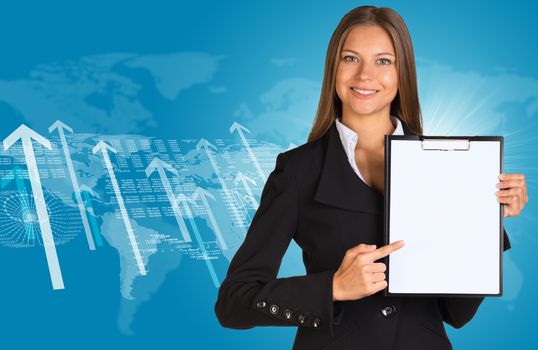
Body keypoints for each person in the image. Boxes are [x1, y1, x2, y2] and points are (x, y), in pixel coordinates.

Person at [214, 5, 528, 350]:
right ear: (333, 68)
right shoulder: (298, 170)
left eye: (383, 61)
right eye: (351, 58)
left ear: (402, 72)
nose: (365, 75)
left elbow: (456, 312)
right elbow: (233, 304)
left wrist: (486, 221)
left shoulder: (450, 168)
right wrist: (332, 287)